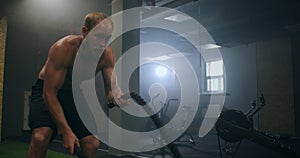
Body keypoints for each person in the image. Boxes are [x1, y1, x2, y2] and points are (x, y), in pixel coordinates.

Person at [26, 12, 126, 158]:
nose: (102, 43)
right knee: (41, 137)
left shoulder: (106, 56)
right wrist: (66, 131)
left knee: (92, 143)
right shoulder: (64, 49)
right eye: (98, 36)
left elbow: (111, 90)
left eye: (107, 38)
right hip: (47, 91)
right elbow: (49, 94)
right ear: (85, 32)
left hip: (73, 94)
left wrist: (117, 96)